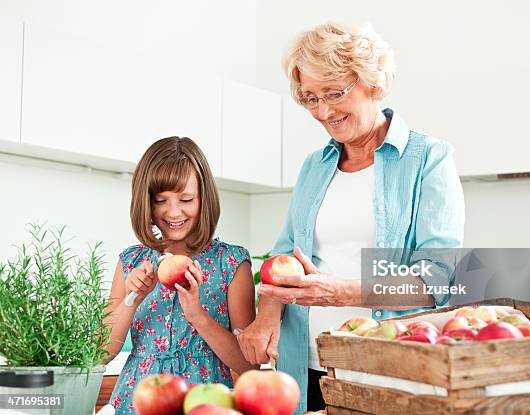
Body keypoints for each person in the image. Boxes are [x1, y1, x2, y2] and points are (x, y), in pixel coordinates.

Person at [237, 22, 465, 413]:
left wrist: (340, 291)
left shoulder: (428, 158)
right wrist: (268, 313)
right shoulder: (316, 165)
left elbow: (438, 279)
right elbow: (283, 256)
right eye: (310, 98)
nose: (323, 111)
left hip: (385, 368)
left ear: (372, 82)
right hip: (305, 366)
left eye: (333, 93)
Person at [104, 137, 257, 414]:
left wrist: (197, 315)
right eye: (160, 200)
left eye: (186, 199)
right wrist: (132, 298)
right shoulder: (131, 261)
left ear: (204, 198)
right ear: (146, 203)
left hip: (205, 403)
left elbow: (250, 365)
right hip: (137, 401)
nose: (173, 212)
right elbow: (102, 352)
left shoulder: (231, 263)